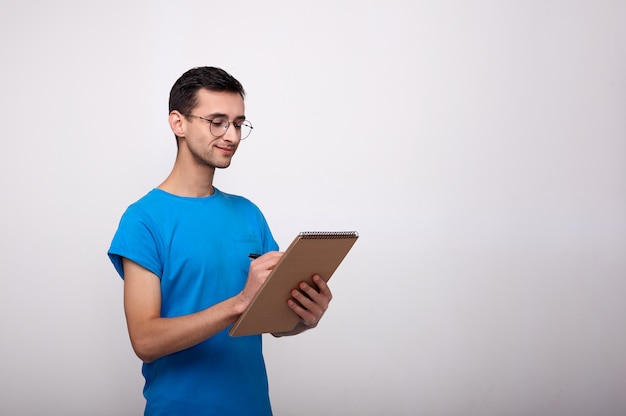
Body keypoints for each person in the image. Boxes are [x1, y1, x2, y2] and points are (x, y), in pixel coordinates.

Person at [108, 66, 332, 415]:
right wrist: (238, 303)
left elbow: (271, 319)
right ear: (178, 123)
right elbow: (145, 340)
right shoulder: (143, 220)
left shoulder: (248, 213)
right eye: (217, 121)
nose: (231, 135)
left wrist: (303, 316)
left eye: (238, 123)